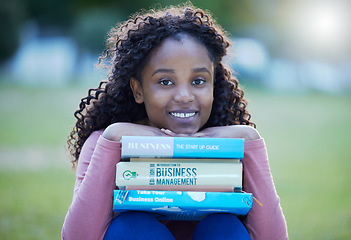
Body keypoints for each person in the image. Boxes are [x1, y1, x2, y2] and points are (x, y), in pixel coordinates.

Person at [62, 4, 288, 240]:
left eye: (199, 81)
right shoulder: (105, 143)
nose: (184, 96)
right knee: (131, 226)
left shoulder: (235, 147)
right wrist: (114, 137)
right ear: (138, 89)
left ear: (214, 87)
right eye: (165, 82)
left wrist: (250, 142)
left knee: (224, 227)